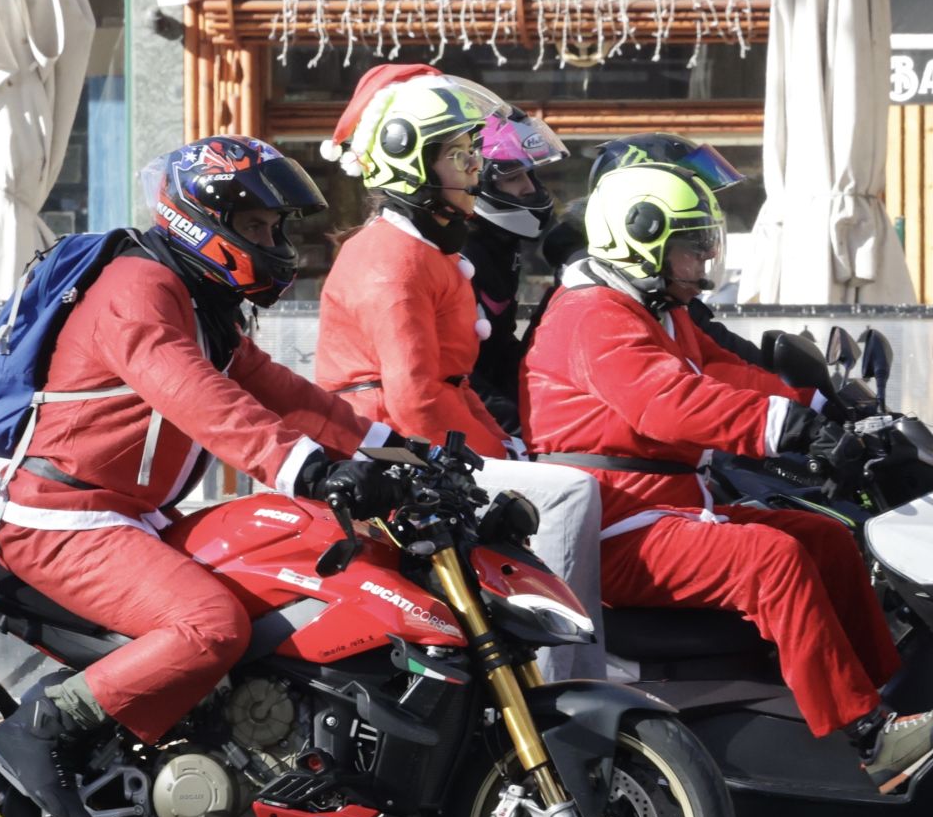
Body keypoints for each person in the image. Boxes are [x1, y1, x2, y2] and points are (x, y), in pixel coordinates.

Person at [0, 136, 402, 817]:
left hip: (131, 516)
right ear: (204, 219)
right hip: (65, 519)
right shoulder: (139, 289)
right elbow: (202, 400)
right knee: (210, 626)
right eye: (259, 227)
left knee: (292, 557)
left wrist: (401, 453)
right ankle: (43, 726)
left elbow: (287, 394)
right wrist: (312, 470)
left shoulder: (199, 299)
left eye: (275, 229)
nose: (273, 242)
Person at [521, 162, 933, 790]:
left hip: (663, 506)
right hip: (616, 524)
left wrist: (824, 405)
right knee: (771, 557)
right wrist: (785, 428)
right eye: (689, 245)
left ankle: (891, 701)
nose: (703, 259)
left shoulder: (653, 306)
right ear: (639, 239)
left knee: (827, 538)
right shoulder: (594, 313)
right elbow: (669, 402)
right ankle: (864, 735)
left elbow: (726, 371)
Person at [314, 64, 605, 680]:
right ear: (408, 162)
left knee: (553, 476)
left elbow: (453, 385)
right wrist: (494, 459)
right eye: (460, 156)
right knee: (569, 491)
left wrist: (506, 446)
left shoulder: (424, 249)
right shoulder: (392, 259)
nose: (475, 170)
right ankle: (565, 677)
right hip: (384, 450)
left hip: (414, 440)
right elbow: (416, 398)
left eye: (473, 154)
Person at [534, 132, 765, 368]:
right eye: (686, 187)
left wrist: (774, 366)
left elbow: (711, 348)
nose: (702, 201)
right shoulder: (607, 276)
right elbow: (671, 389)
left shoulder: (650, 278)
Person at [464, 108, 570, 435]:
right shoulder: (458, 252)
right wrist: (519, 427)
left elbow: (498, 348)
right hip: (461, 426)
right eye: (512, 177)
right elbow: (455, 372)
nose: (529, 188)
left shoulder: (499, 243)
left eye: (529, 175)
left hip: (487, 409)